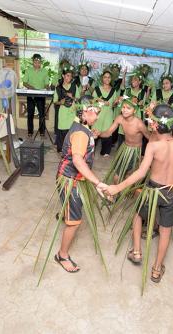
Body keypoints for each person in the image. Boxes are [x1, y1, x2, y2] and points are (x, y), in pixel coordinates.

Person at [105, 104, 173, 283]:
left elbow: (140, 173)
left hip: (152, 189)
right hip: (171, 192)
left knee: (138, 216)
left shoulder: (153, 146)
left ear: (153, 125)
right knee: (165, 230)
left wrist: (118, 187)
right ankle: (156, 269)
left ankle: (136, 251)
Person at [55, 96, 107, 272]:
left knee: (72, 210)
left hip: (72, 177)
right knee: (75, 222)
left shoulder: (81, 127)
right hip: (70, 179)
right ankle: (62, 255)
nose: (97, 117)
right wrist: (97, 182)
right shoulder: (80, 134)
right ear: (85, 111)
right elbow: (77, 160)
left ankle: (64, 212)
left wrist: (91, 135)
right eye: (95, 113)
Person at [95, 97, 150, 184]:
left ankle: (124, 193)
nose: (125, 110)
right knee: (117, 175)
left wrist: (146, 155)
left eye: (128, 108)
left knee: (130, 175)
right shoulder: (119, 118)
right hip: (124, 149)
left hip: (135, 152)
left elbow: (149, 138)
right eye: (123, 107)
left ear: (134, 111)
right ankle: (116, 193)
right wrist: (99, 134)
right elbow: (108, 132)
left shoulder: (139, 124)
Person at [22, 53, 50, 138]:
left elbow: (46, 84)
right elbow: (24, 82)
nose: (37, 63)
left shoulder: (45, 71)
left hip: (40, 96)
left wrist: (46, 87)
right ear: (32, 62)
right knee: (30, 113)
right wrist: (32, 88)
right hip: (30, 94)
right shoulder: (28, 70)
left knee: (42, 114)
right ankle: (30, 132)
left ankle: (42, 132)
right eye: (35, 61)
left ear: (41, 62)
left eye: (39, 62)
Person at [54, 66, 80, 152]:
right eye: (67, 75)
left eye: (70, 76)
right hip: (63, 113)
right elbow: (55, 101)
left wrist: (71, 97)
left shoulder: (74, 86)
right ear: (63, 76)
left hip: (72, 112)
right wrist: (60, 102)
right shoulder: (58, 88)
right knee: (62, 131)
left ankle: (71, 149)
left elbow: (78, 99)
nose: (69, 77)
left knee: (71, 131)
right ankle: (61, 149)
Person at [93, 70, 118, 157]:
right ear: (102, 79)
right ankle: (90, 149)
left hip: (108, 115)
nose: (107, 79)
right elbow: (92, 101)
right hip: (98, 114)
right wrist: (99, 100)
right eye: (105, 77)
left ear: (111, 79)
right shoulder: (97, 89)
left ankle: (105, 152)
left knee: (107, 132)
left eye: (109, 77)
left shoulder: (113, 91)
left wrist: (117, 101)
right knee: (95, 131)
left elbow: (114, 105)